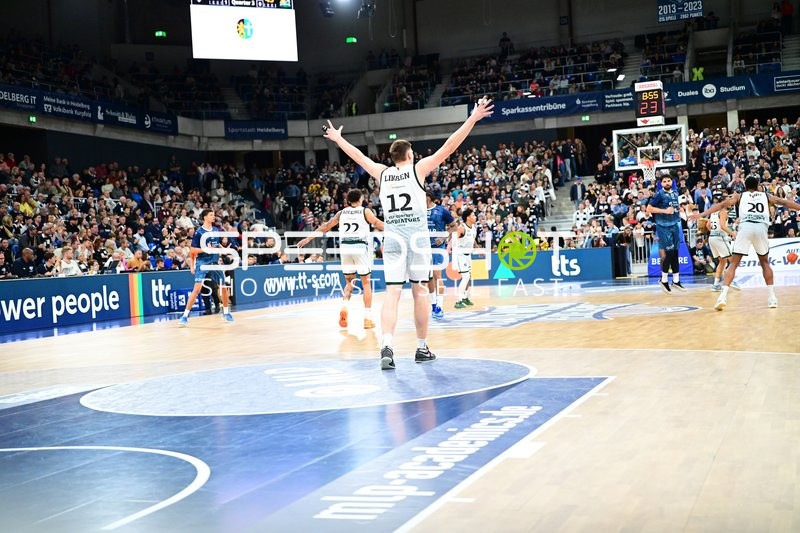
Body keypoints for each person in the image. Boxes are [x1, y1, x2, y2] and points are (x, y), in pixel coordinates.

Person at [321, 95, 494, 370]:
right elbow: (449, 147)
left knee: (392, 294)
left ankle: (386, 345)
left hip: (392, 239)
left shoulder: (382, 173)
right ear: (410, 155)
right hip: (416, 238)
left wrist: (338, 139)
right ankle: (421, 347)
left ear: (392, 158)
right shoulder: (418, 169)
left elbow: (358, 156)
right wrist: (472, 118)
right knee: (419, 293)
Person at [693, 176, 800, 310]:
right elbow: (783, 202)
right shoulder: (765, 196)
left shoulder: (740, 196)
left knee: (733, 264)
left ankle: (723, 296)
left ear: (745, 187)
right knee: (765, 263)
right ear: (757, 186)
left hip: (745, 228)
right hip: (761, 228)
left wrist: (702, 213)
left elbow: (721, 205)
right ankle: (772, 297)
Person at [298, 188, 385, 329]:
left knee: (349, 283)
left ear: (348, 200)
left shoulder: (341, 213)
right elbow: (377, 223)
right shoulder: (365, 211)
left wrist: (308, 238)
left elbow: (325, 226)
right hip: (360, 247)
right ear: (360, 199)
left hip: (345, 249)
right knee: (366, 283)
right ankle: (367, 319)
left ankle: (344, 306)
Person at [179, 209, 234, 325]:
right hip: (203, 262)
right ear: (205, 217)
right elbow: (193, 250)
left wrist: (222, 249)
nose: (213, 217)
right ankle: (185, 316)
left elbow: (216, 243)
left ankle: (226, 313)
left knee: (224, 287)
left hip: (214, 263)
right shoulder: (199, 232)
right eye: (211, 215)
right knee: (197, 289)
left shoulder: (215, 229)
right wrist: (195, 262)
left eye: (214, 215)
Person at [646, 174, 687, 293]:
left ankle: (676, 281)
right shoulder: (659, 194)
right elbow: (649, 209)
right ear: (661, 183)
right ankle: (663, 280)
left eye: (669, 181)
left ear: (672, 182)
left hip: (675, 225)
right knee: (668, 253)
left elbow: (674, 206)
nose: (667, 183)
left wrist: (679, 209)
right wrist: (664, 211)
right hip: (663, 227)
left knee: (675, 252)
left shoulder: (675, 193)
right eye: (664, 181)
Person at [426, 191, 456, 319]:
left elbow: (454, 227)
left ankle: (439, 306)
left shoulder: (441, 211)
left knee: (437, 275)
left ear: (429, 197)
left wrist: (443, 238)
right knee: (428, 277)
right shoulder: (418, 211)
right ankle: (433, 305)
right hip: (423, 248)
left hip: (438, 247)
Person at [706, 191, 741, 291]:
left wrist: (714, 232)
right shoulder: (723, 212)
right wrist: (733, 233)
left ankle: (716, 284)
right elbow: (722, 226)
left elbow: (708, 225)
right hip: (719, 238)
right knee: (733, 261)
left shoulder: (713, 211)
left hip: (712, 238)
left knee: (722, 261)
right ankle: (731, 280)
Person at [451, 208, 477, 309]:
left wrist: (479, 249)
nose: (475, 217)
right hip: (460, 255)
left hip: (468, 255)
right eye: (473, 215)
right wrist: (448, 249)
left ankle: (465, 297)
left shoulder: (473, 227)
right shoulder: (462, 228)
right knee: (465, 277)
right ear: (468, 217)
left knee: (468, 277)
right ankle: (458, 300)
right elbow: (453, 239)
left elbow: (473, 240)